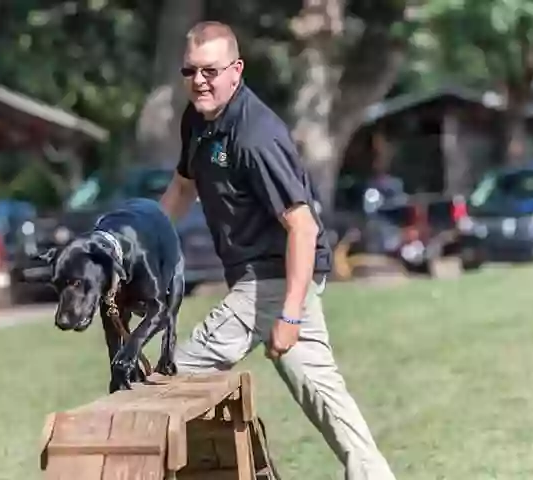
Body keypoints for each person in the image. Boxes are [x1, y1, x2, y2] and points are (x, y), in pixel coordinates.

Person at [159, 21, 397, 480]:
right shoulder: (199, 119)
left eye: (210, 71)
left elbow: (303, 228)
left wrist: (289, 315)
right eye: (190, 71)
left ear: (236, 70)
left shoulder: (256, 136)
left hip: (274, 275)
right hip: (266, 276)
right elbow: (183, 188)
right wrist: (145, 236)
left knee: (175, 376)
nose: (198, 81)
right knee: (320, 392)